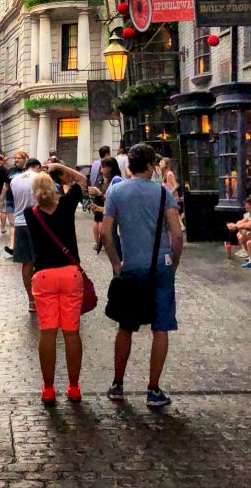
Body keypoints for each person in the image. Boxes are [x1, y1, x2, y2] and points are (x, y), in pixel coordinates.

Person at [102, 143, 184, 409]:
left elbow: (106, 233)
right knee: (161, 327)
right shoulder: (162, 194)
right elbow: (177, 234)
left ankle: (117, 384)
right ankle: (153, 389)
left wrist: (116, 263)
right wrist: (174, 264)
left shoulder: (115, 191)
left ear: (129, 167)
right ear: (150, 166)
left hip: (131, 267)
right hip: (160, 265)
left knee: (126, 326)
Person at [24, 163, 89, 404]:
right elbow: (82, 180)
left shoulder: (31, 214)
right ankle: (73, 387)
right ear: (54, 188)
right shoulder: (66, 206)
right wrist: (59, 166)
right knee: (71, 332)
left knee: (48, 333)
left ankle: (49, 388)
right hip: (70, 274)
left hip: (44, 276)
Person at [9, 157, 44, 311]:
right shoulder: (40, 178)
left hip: (20, 223)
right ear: (38, 166)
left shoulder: (14, 180)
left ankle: (31, 300)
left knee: (26, 264)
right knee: (43, 262)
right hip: (38, 222)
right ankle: (43, 295)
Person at [90, 156, 123, 254]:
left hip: (115, 218)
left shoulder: (117, 180)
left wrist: (99, 194)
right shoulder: (112, 181)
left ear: (109, 168)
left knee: (112, 235)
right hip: (111, 216)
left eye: (102, 167)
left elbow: (115, 204)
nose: (100, 170)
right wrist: (98, 208)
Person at [1, 150, 28, 254]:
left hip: (24, 200)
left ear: (25, 159)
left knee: (25, 223)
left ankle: (24, 245)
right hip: (11, 199)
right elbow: (5, 186)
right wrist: (1, 199)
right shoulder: (10, 171)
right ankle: (12, 247)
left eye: (19, 158)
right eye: (15, 158)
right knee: (13, 224)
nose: (16, 160)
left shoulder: (28, 171)